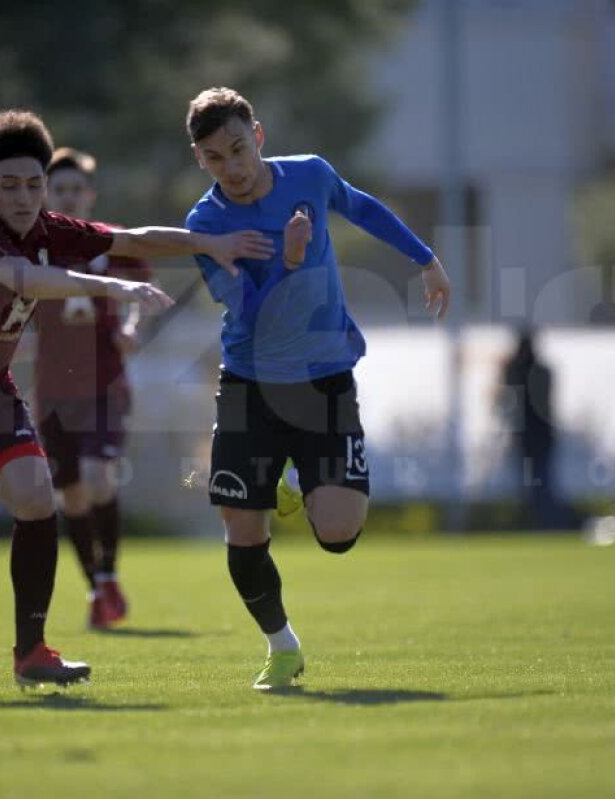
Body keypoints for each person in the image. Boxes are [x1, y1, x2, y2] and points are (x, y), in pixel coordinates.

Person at [0, 109, 273, 693]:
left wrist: (211, 243)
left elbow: (133, 239)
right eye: (9, 186)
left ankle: (31, 652)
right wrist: (109, 284)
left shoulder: (49, 230)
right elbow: (25, 281)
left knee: (37, 498)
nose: (24, 197)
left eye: (34, 185)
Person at [182, 87, 451, 690]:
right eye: (216, 158)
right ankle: (282, 647)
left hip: (325, 378)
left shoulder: (310, 175)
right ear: (200, 160)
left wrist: (425, 259)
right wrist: (290, 262)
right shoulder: (206, 225)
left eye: (239, 148)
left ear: (259, 134)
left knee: (338, 534)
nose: (234, 167)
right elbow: (247, 315)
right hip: (250, 383)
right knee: (243, 531)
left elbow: (361, 207)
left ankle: (288, 479)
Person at [34, 147, 150, 628]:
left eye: (75, 190)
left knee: (98, 477)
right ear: (47, 195)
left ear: (89, 195)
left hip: (105, 387)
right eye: (58, 189)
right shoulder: (33, 248)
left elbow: (142, 290)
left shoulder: (107, 243)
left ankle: (109, 574)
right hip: (52, 394)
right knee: (72, 498)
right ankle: (99, 587)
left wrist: (131, 326)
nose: (68, 197)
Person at [498, 328, 560, 529]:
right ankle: (541, 521)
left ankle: (541, 521)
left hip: (531, 434)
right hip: (537, 434)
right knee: (538, 482)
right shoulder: (542, 370)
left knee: (536, 482)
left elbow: (509, 399)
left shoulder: (520, 371)